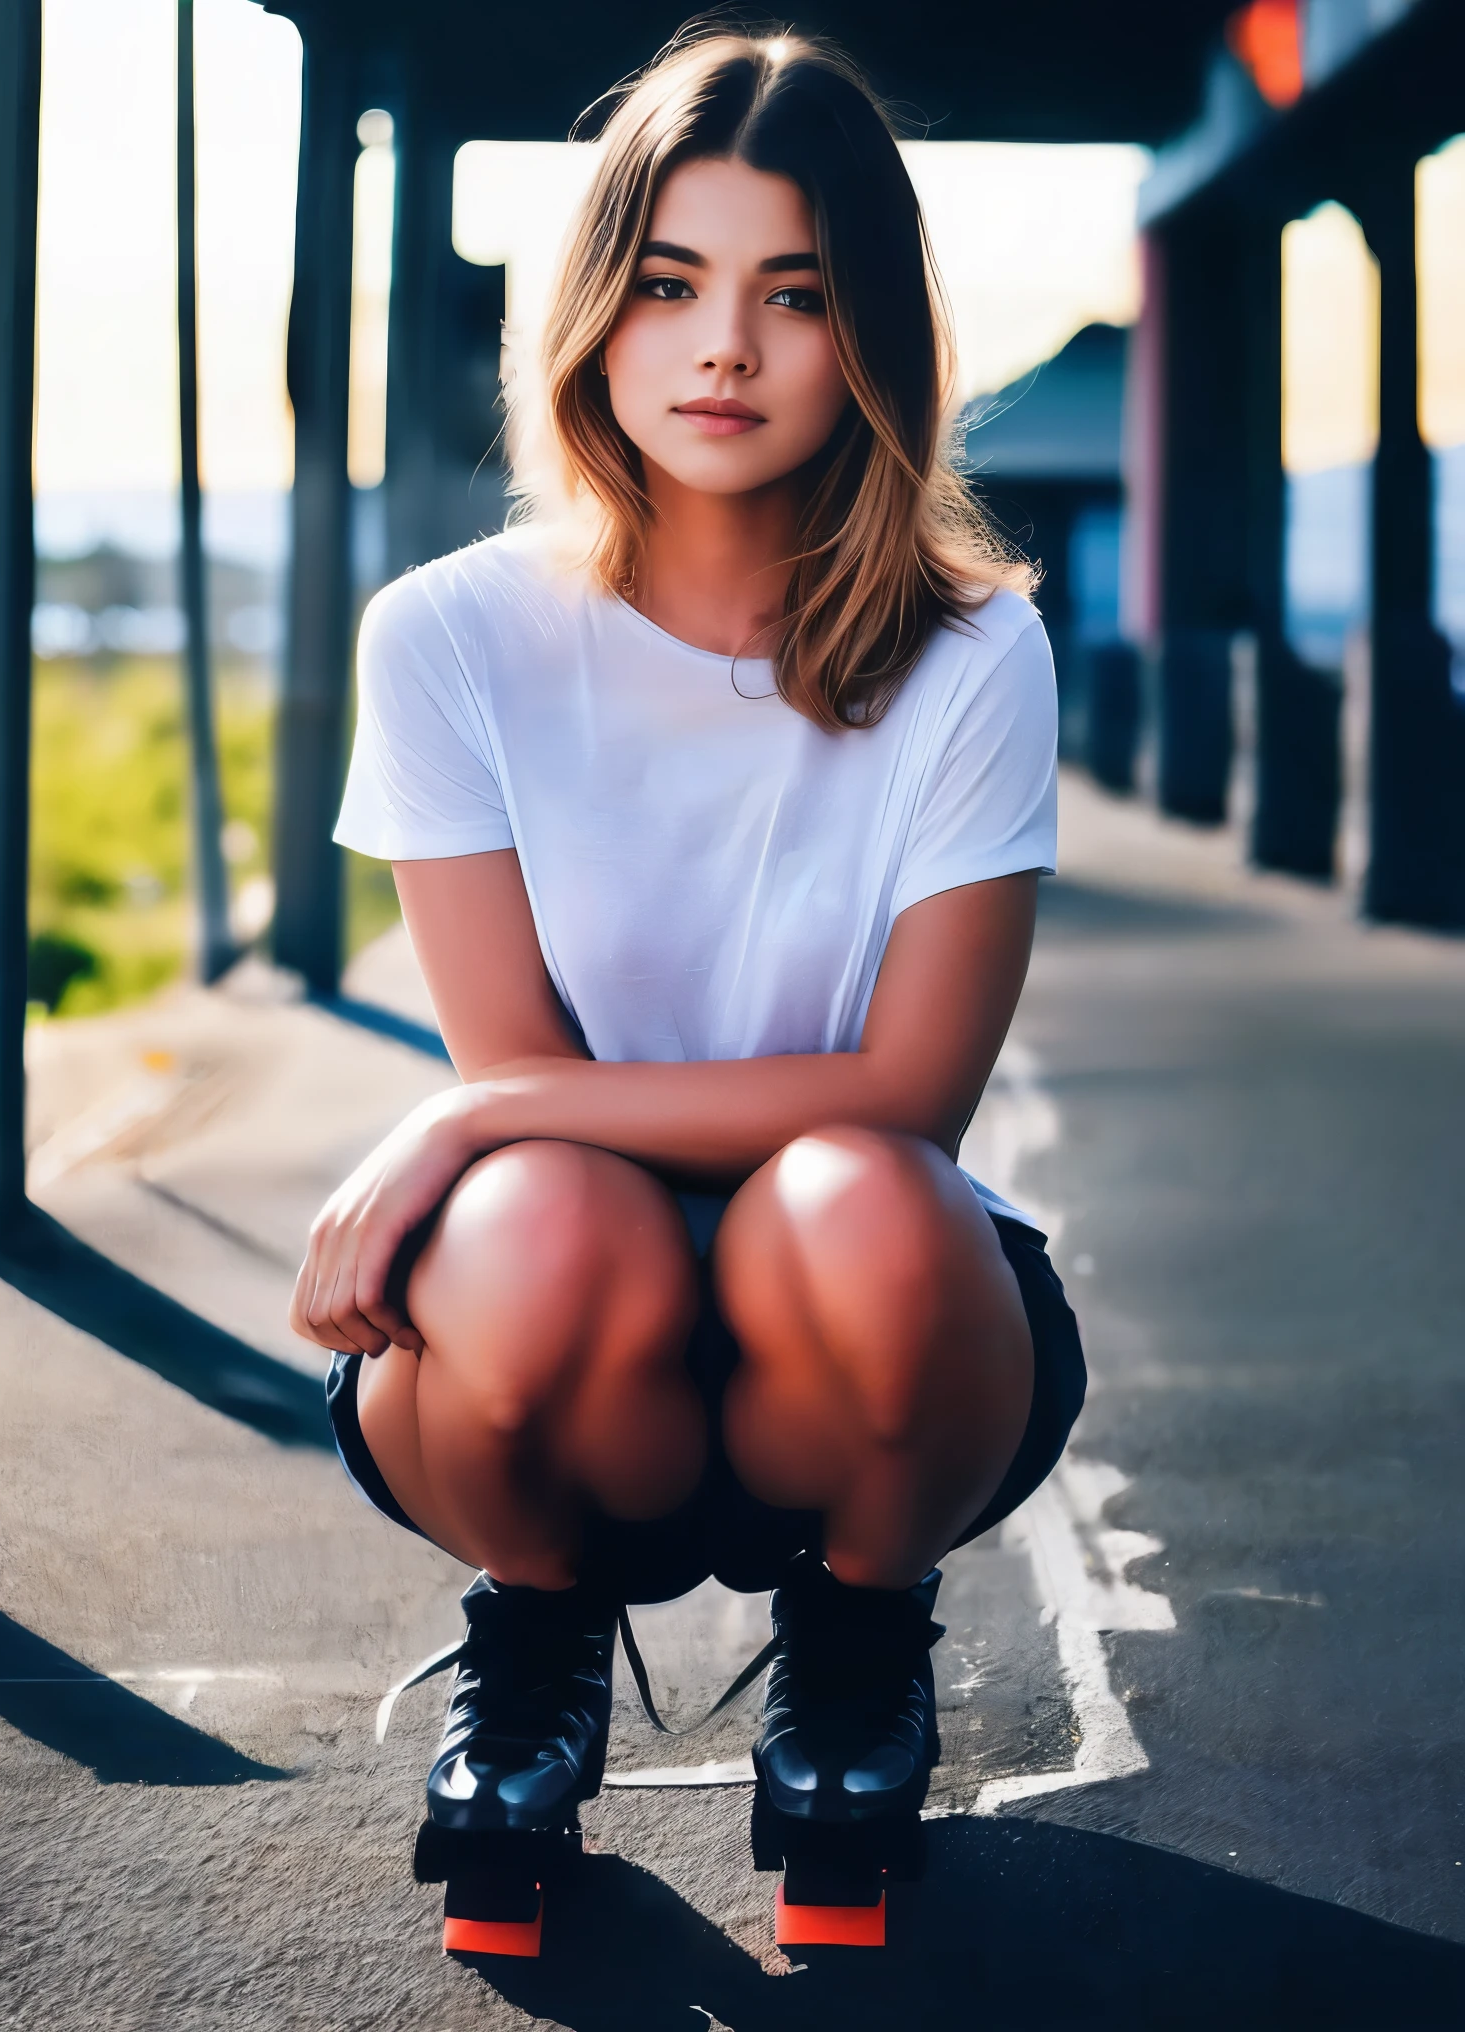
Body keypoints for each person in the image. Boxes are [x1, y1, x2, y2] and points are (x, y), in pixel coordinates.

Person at [292, 28, 1084, 1867]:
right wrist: (490, 1126)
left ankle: (862, 1647)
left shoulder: (977, 654)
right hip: (557, 1345)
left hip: (873, 1350)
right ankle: (541, 1637)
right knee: (546, 1208)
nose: (724, 347)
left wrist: (449, 1122)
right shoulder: (448, 639)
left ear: (867, 332)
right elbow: (526, 1100)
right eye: (669, 285)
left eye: (793, 296)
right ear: (595, 310)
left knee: (869, 1188)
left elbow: (913, 1094)